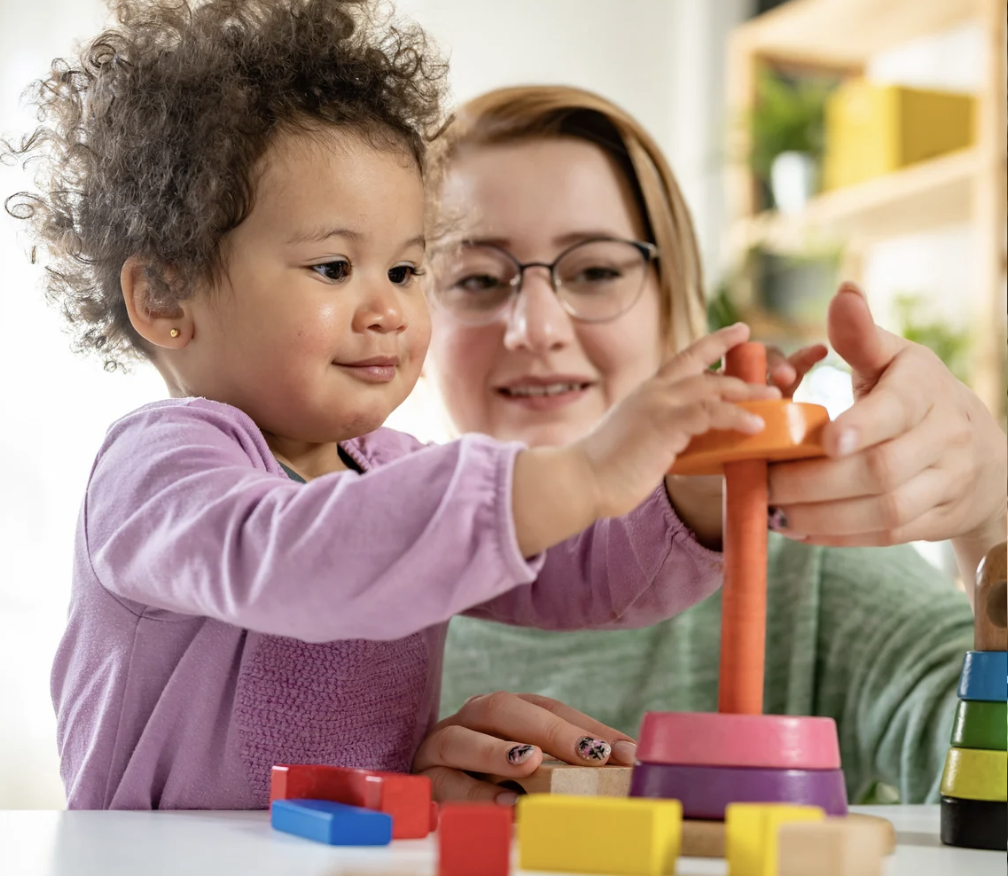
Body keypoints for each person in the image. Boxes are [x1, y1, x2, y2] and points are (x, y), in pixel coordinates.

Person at [7, 0, 784, 810]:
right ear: (164, 297)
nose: (389, 309)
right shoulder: (159, 469)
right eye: (335, 266)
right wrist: (585, 472)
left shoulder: (392, 470)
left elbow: (575, 568)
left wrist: (692, 498)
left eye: (410, 269)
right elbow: (295, 555)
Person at [427, 85, 1007, 804]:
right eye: (477, 278)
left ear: (677, 303)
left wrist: (992, 524)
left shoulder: (805, 572)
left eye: (597, 271)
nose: (536, 328)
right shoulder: (343, 575)